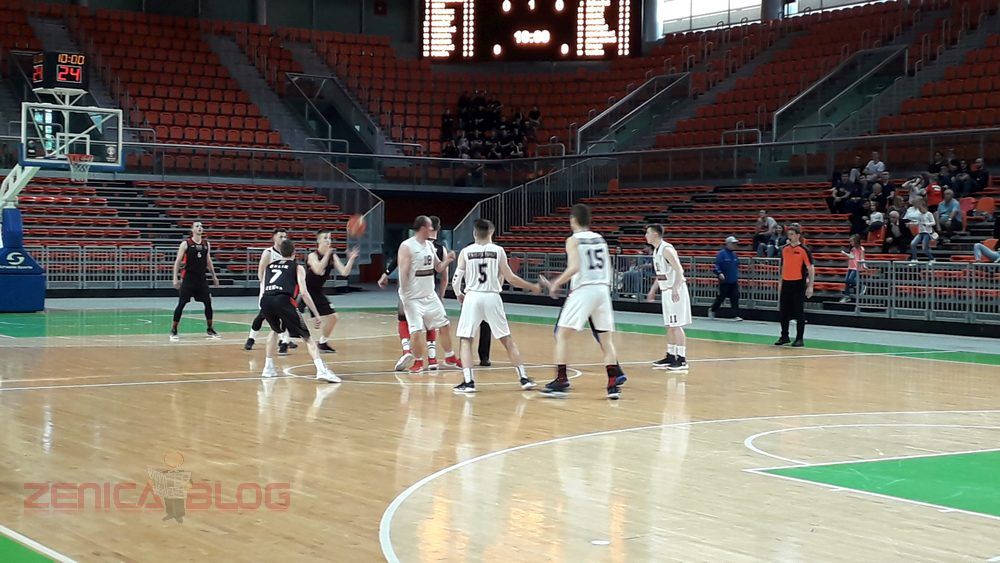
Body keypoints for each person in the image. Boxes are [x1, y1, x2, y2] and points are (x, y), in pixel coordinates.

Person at [539, 204, 627, 399]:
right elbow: (608, 267)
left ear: (573, 220)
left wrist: (555, 283)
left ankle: (561, 380)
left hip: (584, 290)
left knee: (561, 335)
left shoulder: (573, 240)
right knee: (606, 340)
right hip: (602, 290)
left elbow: (574, 267)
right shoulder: (601, 239)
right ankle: (613, 385)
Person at [451, 219, 542, 393]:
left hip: (472, 296)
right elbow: (511, 278)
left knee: (466, 339)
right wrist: (531, 286)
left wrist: (458, 294)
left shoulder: (466, 251)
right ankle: (523, 378)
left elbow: (456, 279)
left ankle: (469, 382)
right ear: (491, 232)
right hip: (492, 297)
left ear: (474, 233)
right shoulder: (499, 251)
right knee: (507, 339)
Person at [258, 239, 339, 383]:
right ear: (294, 253)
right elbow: (304, 293)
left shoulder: (269, 266)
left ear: (280, 252)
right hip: (283, 300)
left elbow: (264, 284)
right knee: (307, 337)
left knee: (275, 331)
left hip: (266, 300)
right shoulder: (297, 267)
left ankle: (268, 368)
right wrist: (316, 314)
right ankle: (321, 370)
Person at [397, 215, 458, 374]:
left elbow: (438, 267)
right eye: (430, 226)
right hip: (412, 298)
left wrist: (448, 260)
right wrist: (405, 295)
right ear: (423, 228)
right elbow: (403, 273)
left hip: (429, 295)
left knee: (444, 325)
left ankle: (450, 356)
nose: (432, 229)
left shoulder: (430, 245)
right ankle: (418, 362)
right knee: (416, 331)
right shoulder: (407, 246)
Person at [645, 224, 693, 371]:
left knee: (676, 325)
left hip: (675, 291)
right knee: (670, 326)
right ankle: (671, 356)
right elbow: (661, 275)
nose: (645, 236)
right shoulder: (656, 251)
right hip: (666, 290)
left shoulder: (667, 249)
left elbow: (680, 270)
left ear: (655, 234)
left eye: (647, 233)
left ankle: (682, 359)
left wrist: (675, 288)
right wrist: (653, 290)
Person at [304, 230, 359, 353]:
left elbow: (344, 272)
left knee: (333, 317)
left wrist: (351, 259)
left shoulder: (332, 256)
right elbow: (318, 270)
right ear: (318, 241)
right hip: (304, 290)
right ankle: (283, 340)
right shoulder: (312, 256)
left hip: (317, 291)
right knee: (292, 316)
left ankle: (323, 342)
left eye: (329, 238)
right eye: (325, 238)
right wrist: (327, 254)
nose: (328, 240)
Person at [170, 222, 220, 342]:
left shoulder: (206, 244)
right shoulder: (186, 244)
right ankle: (174, 329)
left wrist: (214, 276)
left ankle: (210, 328)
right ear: (192, 229)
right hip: (188, 279)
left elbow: (208, 261)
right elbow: (178, 261)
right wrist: (175, 278)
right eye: (197, 226)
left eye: (201, 226)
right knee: (181, 304)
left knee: (208, 303)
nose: (199, 228)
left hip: (201, 280)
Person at [245, 228, 293, 352]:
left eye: (285, 237)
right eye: (281, 237)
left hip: (281, 290)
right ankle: (251, 338)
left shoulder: (287, 254)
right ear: (274, 238)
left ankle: (284, 339)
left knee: (283, 315)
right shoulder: (268, 253)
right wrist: (265, 286)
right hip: (268, 290)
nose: (284, 239)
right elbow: (260, 271)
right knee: (262, 315)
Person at [775, 224, 814, 347]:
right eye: (789, 234)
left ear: (798, 235)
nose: (790, 236)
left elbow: (810, 268)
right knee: (783, 312)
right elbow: (783, 266)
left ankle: (799, 338)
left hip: (798, 283)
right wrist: (780, 282)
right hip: (786, 282)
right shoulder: (784, 249)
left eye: (792, 234)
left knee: (799, 311)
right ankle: (784, 336)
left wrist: (810, 286)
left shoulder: (804, 250)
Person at [709, 236, 741, 320]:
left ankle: (735, 314)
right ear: (728, 244)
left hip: (733, 280)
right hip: (725, 280)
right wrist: (719, 273)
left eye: (735, 243)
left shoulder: (734, 255)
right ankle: (713, 309)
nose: (734, 245)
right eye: (733, 243)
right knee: (721, 297)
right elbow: (716, 265)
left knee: (735, 296)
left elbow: (737, 265)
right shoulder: (721, 254)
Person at [839, 235, 866, 303]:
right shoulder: (853, 249)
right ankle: (847, 296)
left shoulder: (861, 248)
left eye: (852, 241)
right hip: (851, 266)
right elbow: (851, 256)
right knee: (846, 281)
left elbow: (862, 258)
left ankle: (861, 286)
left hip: (856, 267)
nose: (850, 242)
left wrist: (864, 265)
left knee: (850, 279)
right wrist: (846, 254)